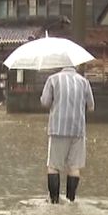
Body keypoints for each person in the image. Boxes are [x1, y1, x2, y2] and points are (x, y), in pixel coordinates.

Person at [40, 63, 94, 203]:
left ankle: (54, 202)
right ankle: (71, 201)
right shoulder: (84, 82)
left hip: (58, 128)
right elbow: (91, 106)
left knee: (53, 166)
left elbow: (45, 102)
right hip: (78, 129)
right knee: (74, 167)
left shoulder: (53, 79)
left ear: (60, 65)